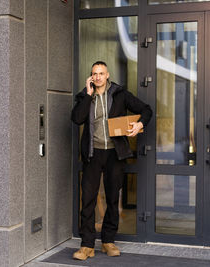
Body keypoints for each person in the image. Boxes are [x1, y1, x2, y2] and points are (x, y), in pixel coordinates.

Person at [71, 61, 152, 260]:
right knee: (87, 199)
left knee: (112, 198)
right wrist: (88, 94)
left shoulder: (120, 94)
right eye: (94, 74)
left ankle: (108, 241)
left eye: (101, 73)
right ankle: (87, 245)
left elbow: (146, 109)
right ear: (91, 77)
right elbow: (76, 119)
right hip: (93, 153)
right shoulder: (85, 96)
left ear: (107, 75)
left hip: (114, 154)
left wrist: (139, 125)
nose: (98, 77)